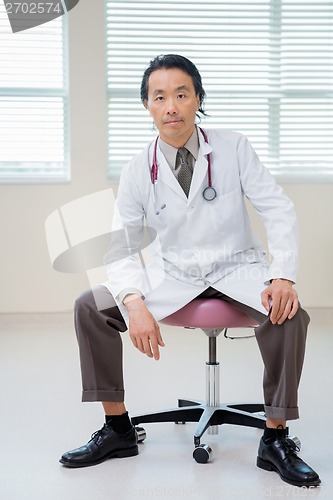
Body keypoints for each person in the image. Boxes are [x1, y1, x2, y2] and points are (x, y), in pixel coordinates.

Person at [60, 54, 320, 487]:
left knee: (290, 316)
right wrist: (133, 299)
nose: (171, 106)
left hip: (237, 267)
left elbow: (278, 208)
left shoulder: (234, 147)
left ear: (197, 98)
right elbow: (121, 246)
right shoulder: (138, 169)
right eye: (159, 97)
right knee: (90, 305)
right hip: (173, 274)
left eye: (181, 94)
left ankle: (275, 438)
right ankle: (118, 429)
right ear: (148, 105)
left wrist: (283, 275)